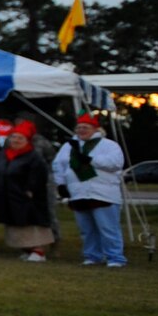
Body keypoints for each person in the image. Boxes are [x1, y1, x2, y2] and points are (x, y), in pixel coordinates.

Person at [54, 113, 127, 268]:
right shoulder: (69, 146)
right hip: (78, 194)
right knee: (87, 230)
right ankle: (92, 256)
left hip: (103, 194)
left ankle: (115, 257)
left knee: (108, 229)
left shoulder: (108, 145)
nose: (81, 130)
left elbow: (115, 163)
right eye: (79, 127)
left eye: (85, 127)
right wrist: (61, 184)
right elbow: (59, 165)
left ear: (95, 129)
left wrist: (91, 160)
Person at [0, 120, 55, 263]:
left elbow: (39, 175)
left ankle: (38, 250)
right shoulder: (2, 155)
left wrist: (30, 189)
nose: (16, 140)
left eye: (20, 138)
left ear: (27, 141)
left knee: (31, 223)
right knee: (15, 224)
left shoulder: (34, 157)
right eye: (14, 137)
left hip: (27, 197)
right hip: (8, 196)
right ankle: (26, 249)